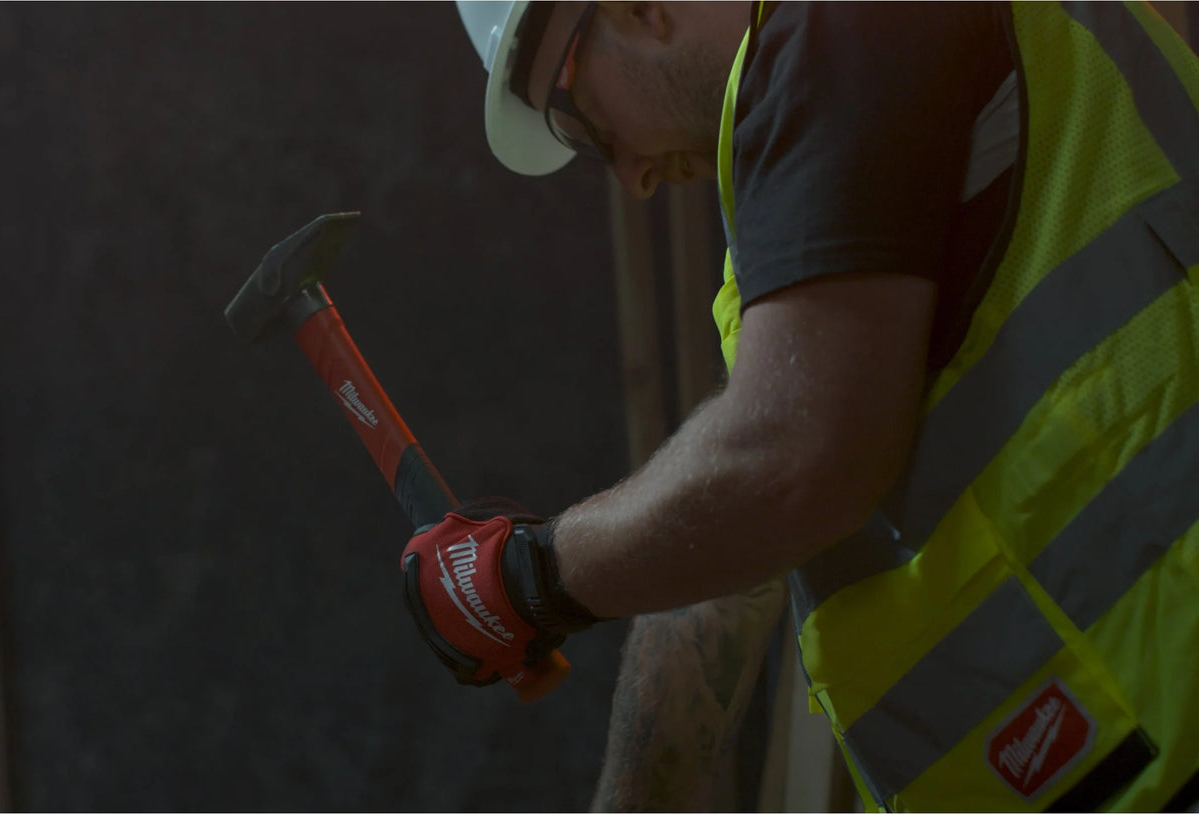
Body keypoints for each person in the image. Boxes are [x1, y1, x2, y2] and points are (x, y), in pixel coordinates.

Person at [399, 2, 1199, 811]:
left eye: (583, 128)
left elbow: (794, 461)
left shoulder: (845, 20)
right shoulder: (801, 212)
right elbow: (728, 550)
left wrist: (531, 578)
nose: (630, 175)